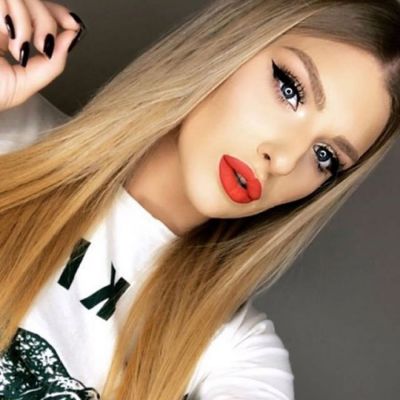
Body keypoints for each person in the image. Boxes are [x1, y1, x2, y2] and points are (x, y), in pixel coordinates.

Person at [0, 0, 399, 399]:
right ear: (233, 42)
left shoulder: (236, 352)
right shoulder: (10, 129)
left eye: (324, 156)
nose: (283, 160)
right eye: (290, 90)